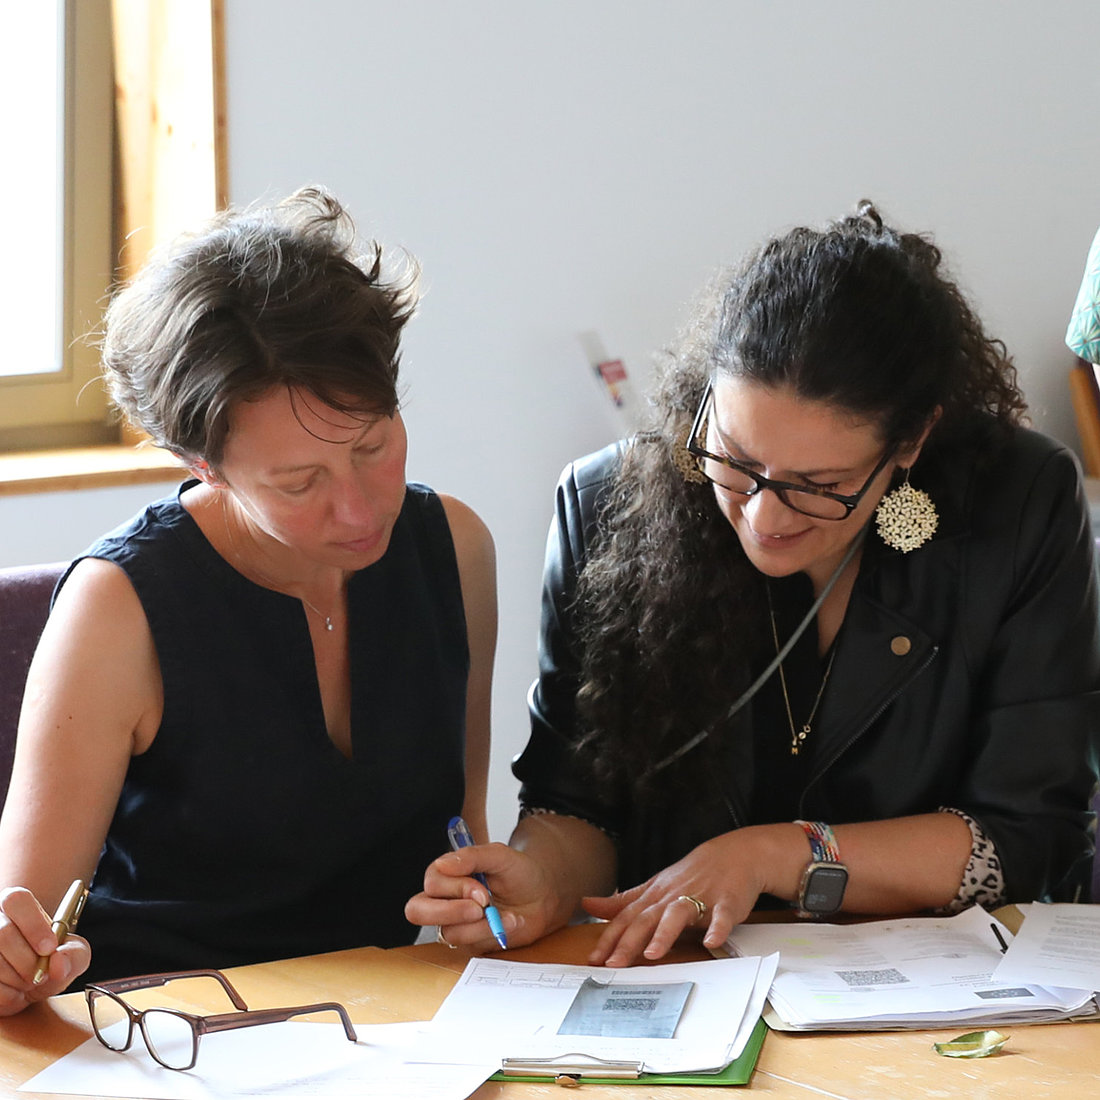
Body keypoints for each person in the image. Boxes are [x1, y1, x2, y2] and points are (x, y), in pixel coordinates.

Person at [409, 201, 1100, 966]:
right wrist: (541, 880)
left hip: (936, 993)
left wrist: (779, 855)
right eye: (736, 460)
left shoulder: (1017, 505)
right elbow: (576, 804)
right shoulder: (608, 504)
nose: (764, 516)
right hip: (680, 980)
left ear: (911, 440)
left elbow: (1028, 834)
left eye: (819, 484)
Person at [0, 187, 497, 1012]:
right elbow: (25, 941)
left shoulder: (454, 548)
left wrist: (486, 896)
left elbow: (462, 833)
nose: (359, 509)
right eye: (299, 482)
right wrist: (16, 963)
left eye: (373, 445)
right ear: (206, 467)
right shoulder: (118, 610)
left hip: (380, 1022)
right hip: (166, 1029)